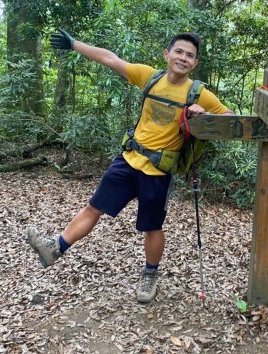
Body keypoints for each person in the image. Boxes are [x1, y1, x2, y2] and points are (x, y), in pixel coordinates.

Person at [27, 29, 233, 304]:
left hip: (159, 170)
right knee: (94, 207)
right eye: (179, 52)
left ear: (195, 63)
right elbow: (110, 59)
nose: (183, 58)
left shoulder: (198, 93)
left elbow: (230, 118)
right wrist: (75, 44)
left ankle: (150, 275)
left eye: (190, 55)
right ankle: (56, 248)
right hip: (129, 159)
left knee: (152, 226)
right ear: (167, 54)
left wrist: (203, 114)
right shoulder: (150, 77)